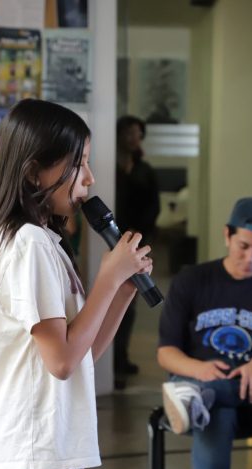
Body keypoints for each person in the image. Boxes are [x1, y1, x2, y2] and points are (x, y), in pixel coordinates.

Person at [0, 98, 153, 469]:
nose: (89, 178)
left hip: (42, 453)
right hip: (37, 456)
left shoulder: (40, 242)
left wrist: (123, 289)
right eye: (79, 163)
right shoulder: (27, 244)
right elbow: (63, 361)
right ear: (35, 172)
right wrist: (108, 277)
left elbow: (81, 355)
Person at [157, 197, 252, 469]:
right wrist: (199, 370)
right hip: (202, 393)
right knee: (215, 414)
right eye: (243, 246)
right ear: (227, 235)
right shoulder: (191, 281)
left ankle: (199, 395)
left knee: (207, 401)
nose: (250, 258)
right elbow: (166, 352)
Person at [114, 115, 161, 377]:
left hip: (135, 242)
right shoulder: (109, 166)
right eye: (129, 132)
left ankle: (121, 358)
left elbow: (153, 206)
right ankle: (110, 361)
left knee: (128, 301)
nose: (134, 138)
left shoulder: (145, 170)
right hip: (110, 240)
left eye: (138, 134)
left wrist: (139, 232)